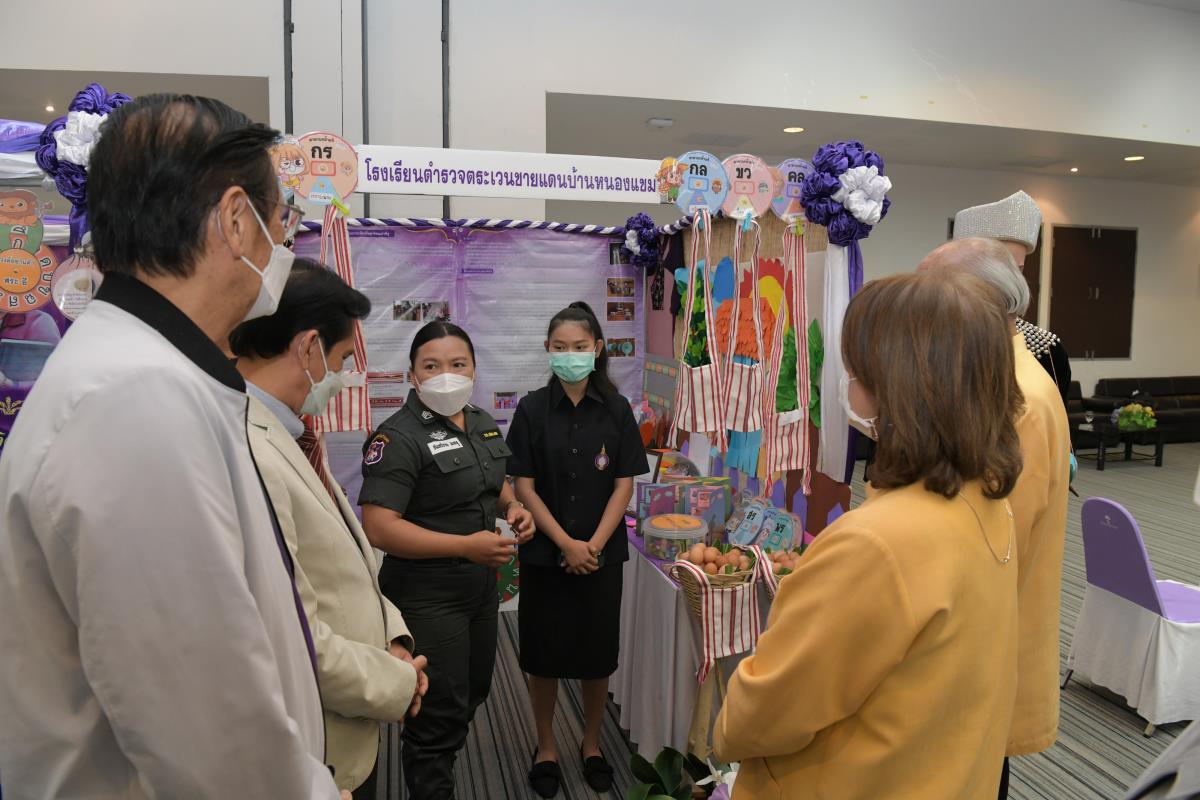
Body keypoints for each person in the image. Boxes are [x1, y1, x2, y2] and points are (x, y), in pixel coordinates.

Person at [0, 94, 344, 798]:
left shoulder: (152, 373)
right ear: (237, 220)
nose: (284, 246)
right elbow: (211, 744)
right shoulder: (134, 399)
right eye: (283, 221)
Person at [714, 271, 1024, 800]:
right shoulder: (988, 502)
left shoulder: (875, 543)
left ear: (897, 387)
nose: (847, 384)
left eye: (856, 370)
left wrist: (726, 727)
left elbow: (766, 711)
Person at [230, 259, 429, 798]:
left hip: (341, 721)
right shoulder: (250, 450)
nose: (340, 379)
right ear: (309, 348)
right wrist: (397, 682)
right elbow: (287, 634)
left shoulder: (290, 433)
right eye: (340, 360)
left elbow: (342, 561)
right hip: (312, 746)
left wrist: (390, 639)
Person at [919, 237, 1072, 799]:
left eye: (932, 296)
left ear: (979, 305)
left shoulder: (1016, 397)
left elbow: (998, 547)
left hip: (981, 641)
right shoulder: (988, 374)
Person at [360, 320, 536, 800]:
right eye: (431, 366)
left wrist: (513, 508)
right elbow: (379, 527)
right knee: (437, 715)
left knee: (473, 692)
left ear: (474, 369)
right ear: (412, 375)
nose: (446, 376)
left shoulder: (479, 420)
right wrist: (463, 546)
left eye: (458, 364)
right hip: (426, 596)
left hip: (479, 589)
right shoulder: (397, 437)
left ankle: (442, 760)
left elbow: (492, 482)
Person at [505, 301, 649, 797]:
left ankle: (591, 744)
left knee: (596, 655)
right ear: (548, 350)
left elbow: (624, 484)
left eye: (580, 347)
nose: (570, 355)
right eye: (561, 347)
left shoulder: (617, 410)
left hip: (601, 555)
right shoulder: (531, 410)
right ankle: (546, 746)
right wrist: (566, 544)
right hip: (545, 553)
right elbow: (523, 485)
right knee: (542, 655)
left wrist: (593, 545)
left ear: (598, 349)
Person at [953, 190, 1072, 403]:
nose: (1008, 282)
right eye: (998, 270)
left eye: (1017, 270)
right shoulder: (927, 338)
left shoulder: (1046, 349)